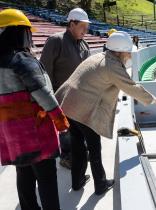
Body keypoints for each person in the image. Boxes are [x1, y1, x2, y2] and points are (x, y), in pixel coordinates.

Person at [55, 31, 156, 195]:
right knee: (94, 149)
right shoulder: (112, 65)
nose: (129, 55)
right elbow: (131, 87)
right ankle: (100, 185)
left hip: (69, 107)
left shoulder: (98, 57)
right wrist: (154, 99)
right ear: (119, 51)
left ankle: (77, 182)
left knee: (77, 147)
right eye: (128, 51)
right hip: (84, 112)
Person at [0, 9, 69, 210]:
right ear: (18, 32)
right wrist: (60, 118)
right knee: (46, 179)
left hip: (11, 135)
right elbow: (42, 92)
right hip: (35, 131)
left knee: (23, 174)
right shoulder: (21, 59)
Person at [40, 7, 91, 169]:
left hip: (80, 96)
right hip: (60, 97)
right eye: (82, 26)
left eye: (86, 26)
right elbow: (44, 71)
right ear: (72, 24)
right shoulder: (56, 41)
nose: (86, 30)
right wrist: (49, 98)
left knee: (79, 130)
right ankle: (67, 156)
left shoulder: (84, 45)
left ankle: (78, 152)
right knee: (65, 130)